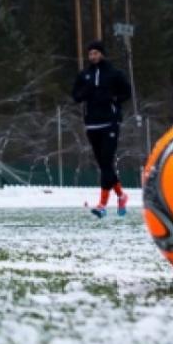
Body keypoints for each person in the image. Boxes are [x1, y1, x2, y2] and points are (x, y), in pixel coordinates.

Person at [72, 40, 133, 218]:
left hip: (110, 123)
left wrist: (114, 99)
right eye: (90, 53)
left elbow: (127, 92)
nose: (93, 56)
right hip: (92, 123)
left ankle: (102, 205)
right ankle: (121, 196)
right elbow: (75, 95)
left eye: (96, 53)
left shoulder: (114, 73)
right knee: (103, 165)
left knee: (106, 162)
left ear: (102, 54)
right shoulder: (85, 75)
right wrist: (86, 93)